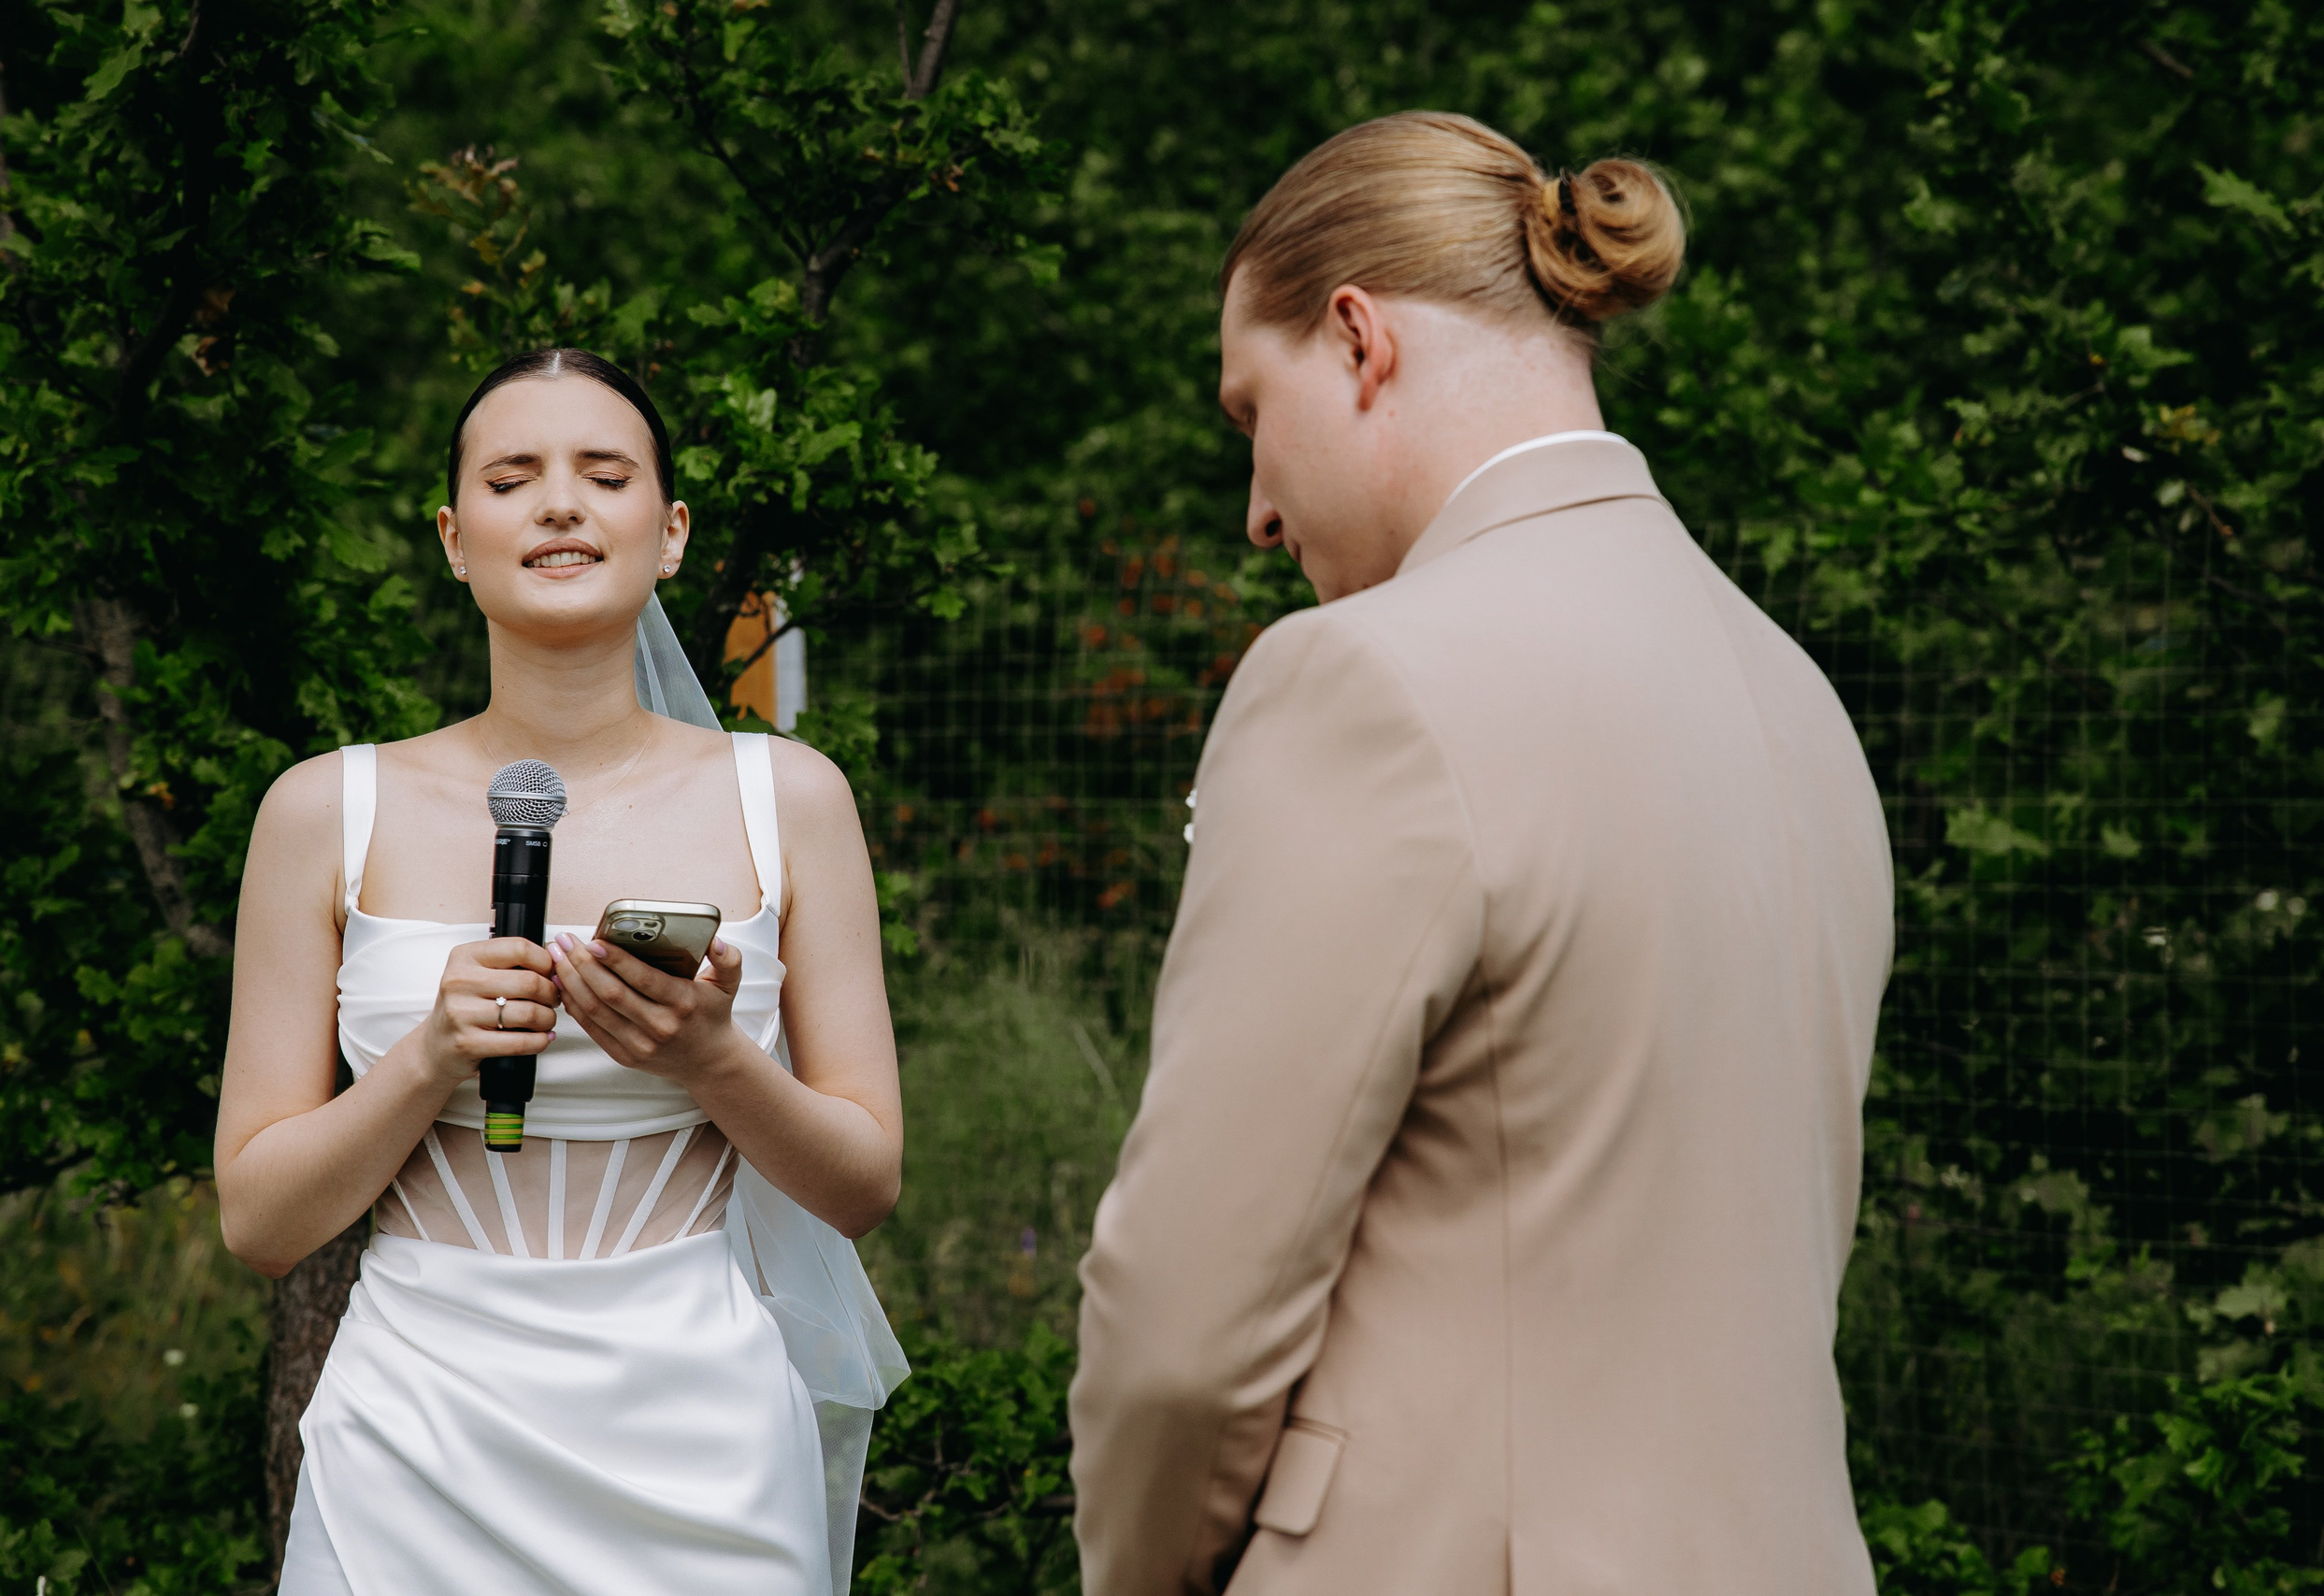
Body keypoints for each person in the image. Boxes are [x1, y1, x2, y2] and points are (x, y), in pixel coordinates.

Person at [1069, 111, 1892, 1595]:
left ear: (1360, 340)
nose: (1256, 511)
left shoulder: (1361, 680)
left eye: (1253, 416)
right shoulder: (1799, 700)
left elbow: (1187, 1331)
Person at [215, 349, 909, 1596]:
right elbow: (260, 1220)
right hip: (415, 1429)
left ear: (672, 530)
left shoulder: (790, 798)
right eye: (511, 476)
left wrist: (711, 1059)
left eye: (604, 473)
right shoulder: (323, 810)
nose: (560, 504)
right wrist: (428, 1058)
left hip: (701, 1436)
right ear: (452, 534)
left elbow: (863, 1185)